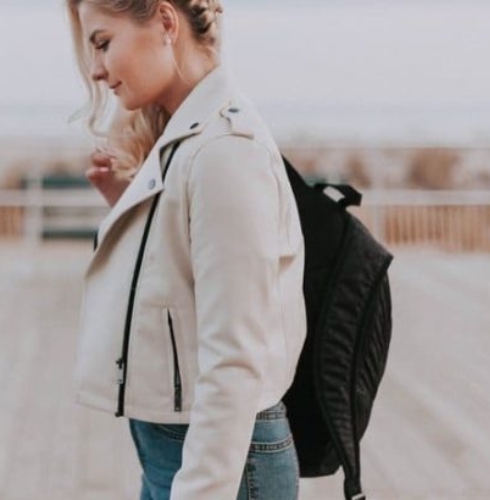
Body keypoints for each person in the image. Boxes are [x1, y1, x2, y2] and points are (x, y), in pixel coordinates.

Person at [67, 1, 307, 499]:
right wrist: (128, 207)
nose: (96, 70)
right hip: (181, 455)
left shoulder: (224, 150)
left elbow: (235, 358)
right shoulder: (187, 135)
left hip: (222, 468)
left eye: (103, 42)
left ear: (165, 22)